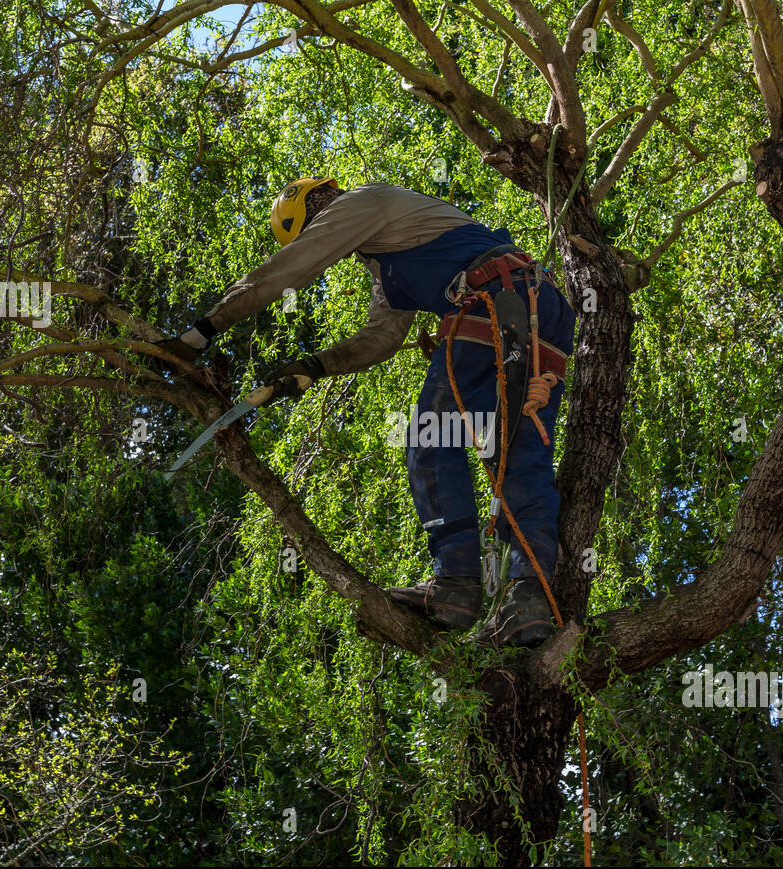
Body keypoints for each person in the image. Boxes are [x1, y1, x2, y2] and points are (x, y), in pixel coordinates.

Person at [161, 177, 576, 648]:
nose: (322, 229)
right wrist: (313, 367)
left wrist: (204, 329)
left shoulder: (366, 200)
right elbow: (382, 337)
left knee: (431, 437)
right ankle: (529, 605)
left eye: (314, 224)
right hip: (539, 316)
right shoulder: (389, 258)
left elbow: (290, 269)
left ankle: (457, 584)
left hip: (493, 306)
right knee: (516, 465)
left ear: (317, 201)